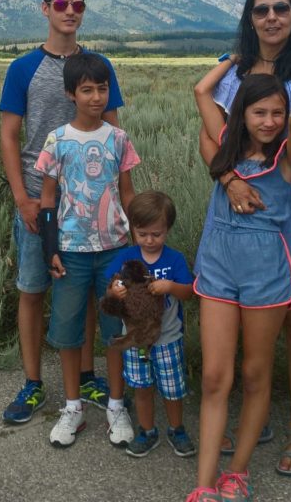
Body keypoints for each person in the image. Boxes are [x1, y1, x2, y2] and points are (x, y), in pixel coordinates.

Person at [188, 38, 291, 502]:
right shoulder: (225, 152)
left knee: (256, 373)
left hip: (267, 275)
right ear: (242, 114)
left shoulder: (289, 156)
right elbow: (202, 93)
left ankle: (236, 472)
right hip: (217, 267)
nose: (270, 121)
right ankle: (203, 485)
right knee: (218, 376)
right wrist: (234, 60)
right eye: (258, 112)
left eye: (277, 112)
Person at [0, 0, 123, 425]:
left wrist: (118, 204)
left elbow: (113, 134)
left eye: (78, 5)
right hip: (38, 201)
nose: (70, 11)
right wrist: (22, 198)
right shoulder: (23, 68)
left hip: (90, 208)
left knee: (86, 292)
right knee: (32, 290)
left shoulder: (98, 66)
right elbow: (10, 136)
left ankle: (87, 376)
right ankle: (32, 383)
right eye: (62, 4)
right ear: (45, 8)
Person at [36, 52, 139, 449]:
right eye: (87, 90)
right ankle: (73, 407)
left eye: (102, 89)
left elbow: (127, 193)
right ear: (70, 93)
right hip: (72, 251)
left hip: (114, 251)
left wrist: (140, 244)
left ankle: (115, 405)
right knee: (68, 332)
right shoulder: (58, 141)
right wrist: (51, 250)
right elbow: (48, 200)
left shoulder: (118, 139)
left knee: (114, 329)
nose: (96, 97)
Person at [103, 191, 196, 459]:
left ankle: (177, 429)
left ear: (167, 229)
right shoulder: (127, 257)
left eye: (157, 234)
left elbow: (188, 291)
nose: (149, 240)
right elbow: (111, 285)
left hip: (167, 337)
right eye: (143, 233)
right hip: (134, 338)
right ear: (133, 229)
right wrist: (115, 290)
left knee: (172, 388)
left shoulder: (174, 259)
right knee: (142, 387)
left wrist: (171, 287)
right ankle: (147, 430)